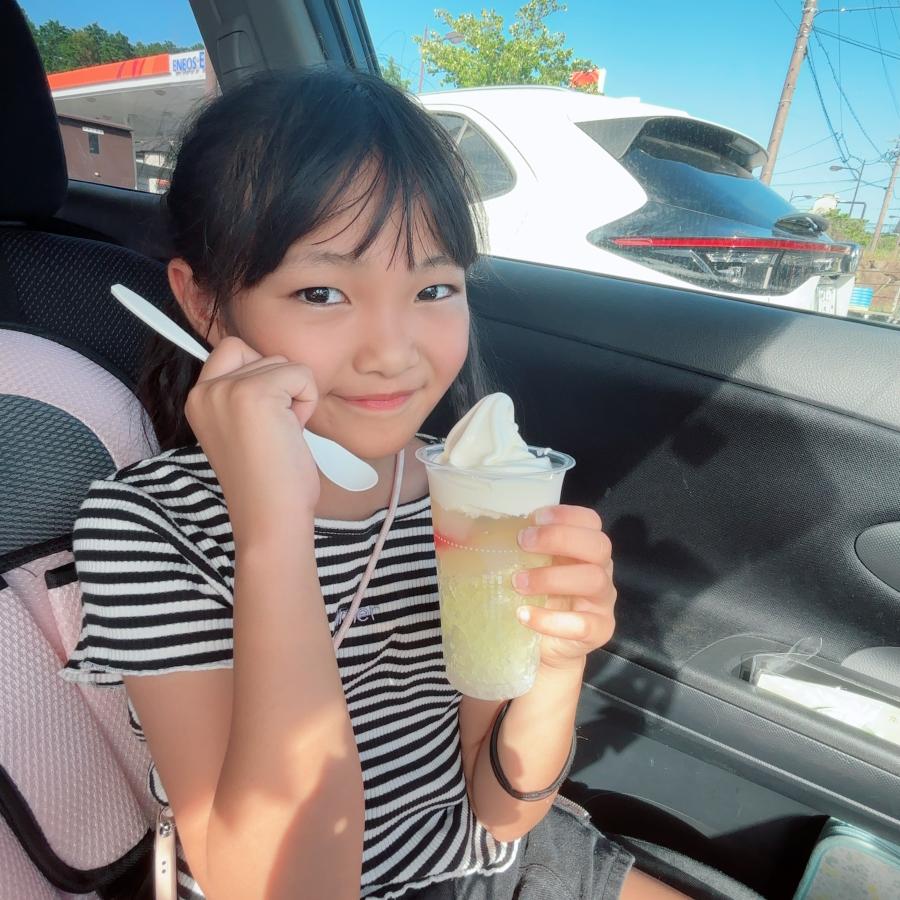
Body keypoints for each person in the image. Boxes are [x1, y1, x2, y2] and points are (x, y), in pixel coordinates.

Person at [63, 67, 685, 900]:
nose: (392, 352)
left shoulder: (466, 491)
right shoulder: (150, 527)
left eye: (434, 288)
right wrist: (273, 532)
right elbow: (284, 889)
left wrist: (558, 659)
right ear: (206, 305)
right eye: (321, 292)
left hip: (494, 866)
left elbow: (503, 815)